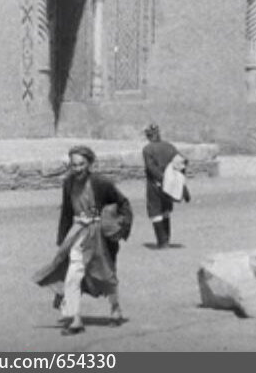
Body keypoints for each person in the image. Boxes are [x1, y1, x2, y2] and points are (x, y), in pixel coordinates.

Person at [34, 145, 132, 335]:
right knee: (73, 274)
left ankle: (115, 309)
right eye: (74, 165)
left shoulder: (102, 183)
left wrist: (121, 229)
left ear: (89, 164)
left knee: (106, 274)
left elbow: (123, 203)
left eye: (81, 164)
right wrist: (63, 238)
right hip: (78, 232)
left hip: (99, 235)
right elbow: (66, 211)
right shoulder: (68, 183)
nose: (78, 169)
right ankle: (75, 319)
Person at [142, 123, 190, 248]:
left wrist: (162, 179)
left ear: (148, 135)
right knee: (165, 210)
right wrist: (176, 180)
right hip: (171, 185)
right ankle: (167, 240)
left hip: (155, 185)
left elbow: (151, 168)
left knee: (155, 211)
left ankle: (162, 242)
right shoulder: (170, 147)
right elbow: (182, 162)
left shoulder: (147, 149)